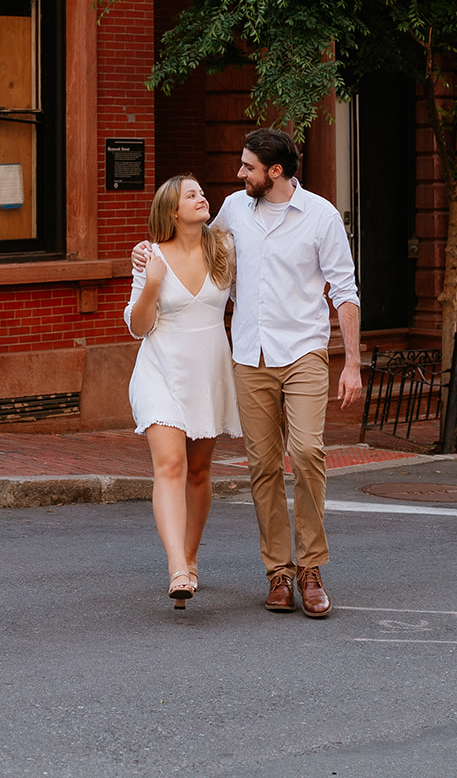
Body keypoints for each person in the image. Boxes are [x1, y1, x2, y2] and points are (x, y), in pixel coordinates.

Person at [133, 128, 362, 619]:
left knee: (305, 452)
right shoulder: (235, 211)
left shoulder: (321, 216)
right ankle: (278, 574)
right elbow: (189, 241)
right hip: (249, 357)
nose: (238, 175)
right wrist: (146, 254)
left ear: (274, 172)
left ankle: (311, 569)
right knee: (261, 467)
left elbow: (345, 291)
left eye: (247, 167)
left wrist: (354, 364)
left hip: (303, 352)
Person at [125, 172, 240, 608]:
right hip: (160, 369)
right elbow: (138, 327)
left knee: (198, 471)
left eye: (201, 193)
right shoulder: (150, 257)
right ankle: (176, 567)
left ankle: (191, 559)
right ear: (172, 210)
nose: (201, 198)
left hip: (208, 373)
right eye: (190, 195)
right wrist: (152, 282)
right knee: (170, 464)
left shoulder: (225, 249)